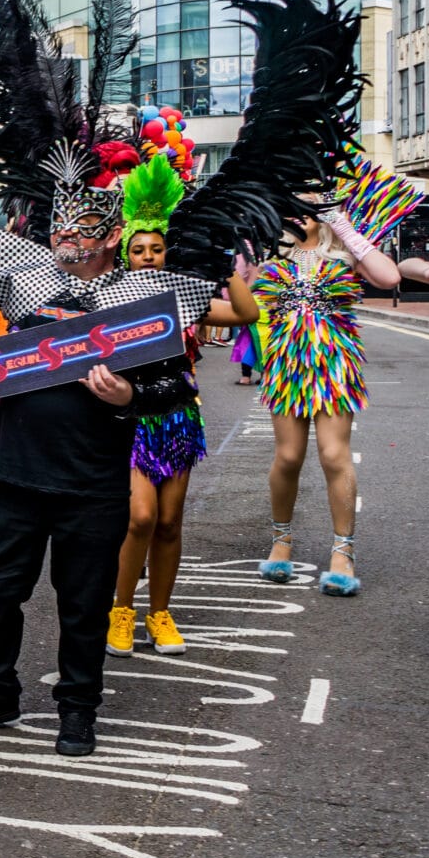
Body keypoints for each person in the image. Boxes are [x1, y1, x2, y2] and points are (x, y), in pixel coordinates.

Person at [0, 0, 359, 757]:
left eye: (87, 227)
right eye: (63, 222)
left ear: (112, 236)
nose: (70, 234)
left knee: (81, 602)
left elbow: (192, 352)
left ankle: (79, 709)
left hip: (93, 474)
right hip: (16, 470)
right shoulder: (21, 266)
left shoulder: (152, 289)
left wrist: (129, 391)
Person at [106, 156, 259, 657]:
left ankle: (161, 614)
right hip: (130, 418)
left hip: (177, 417)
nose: (148, 256)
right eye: (139, 249)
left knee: (170, 522)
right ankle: (121, 610)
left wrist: (223, 266)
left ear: (167, 253)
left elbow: (245, 313)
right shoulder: (112, 296)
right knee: (141, 518)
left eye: (156, 249)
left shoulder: (184, 294)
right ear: (126, 255)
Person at [252, 206, 398, 596]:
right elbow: (241, 295)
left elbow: (389, 276)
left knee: (334, 455)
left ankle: (342, 550)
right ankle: (281, 539)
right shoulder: (271, 256)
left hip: (334, 363)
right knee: (287, 457)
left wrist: (344, 225)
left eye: (309, 204)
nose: (299, 213)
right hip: (286, 363)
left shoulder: (345, 254)